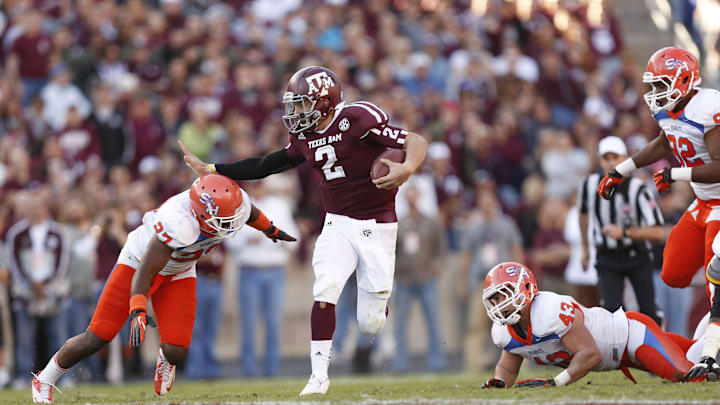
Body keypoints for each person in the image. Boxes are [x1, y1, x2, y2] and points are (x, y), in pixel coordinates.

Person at [180, 65, 429, 396]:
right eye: (293, 104)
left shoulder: (356, 118)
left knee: (371, 322)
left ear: (324, 102)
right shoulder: (304, 135)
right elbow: (266, 165)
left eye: (301, 104)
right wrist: (214, 168)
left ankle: (378, 303)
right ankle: (318, 376)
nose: (295, 112)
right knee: (324, 290)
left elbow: (415, 140)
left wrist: (407, 167)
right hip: (337, 222)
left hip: (376, 223)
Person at [30, 174, 296, 403]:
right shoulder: (179, 223)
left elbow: (249, 213)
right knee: (98, 335)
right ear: (202, 213)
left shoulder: (231, 200)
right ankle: (44, 379)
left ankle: (164, 358)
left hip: (180, 268)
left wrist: (271, 230)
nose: (232, 224)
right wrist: (138, 310)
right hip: (138, 264)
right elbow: (145, 270)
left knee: (177, 351)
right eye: (224, 219)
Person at [595, 47, 720, 378]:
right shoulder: (671, 110)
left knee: (715, 286)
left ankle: (713, 354)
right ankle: (691, 347)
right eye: (652, 85)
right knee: (673, 272)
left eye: (661, 83)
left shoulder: (708, 108)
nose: (655, 93)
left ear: (682, 80)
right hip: (703, 203)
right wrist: (621, 170)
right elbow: (665, 144)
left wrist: (674, 174)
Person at [481, 262, 704, 389]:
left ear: (526, 288)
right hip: (620, 357)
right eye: (495, 299)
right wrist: (499, 383)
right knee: (698, 352)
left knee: (686, 373)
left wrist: (554, 383)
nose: (500, 305)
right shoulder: (505, 332)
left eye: (504, 295)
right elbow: (508, 368)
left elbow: (590, 354)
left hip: (631, 337)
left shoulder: (549, 311)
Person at [583, 136, 664, 322]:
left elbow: (659, 232)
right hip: (607, 257)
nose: (612, 162)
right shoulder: (588, 186)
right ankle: (623, 351)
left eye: (616, 157)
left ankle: (655, 347)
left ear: (625, 158)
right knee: (612, 313)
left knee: (649, 311)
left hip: (636, 254)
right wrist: (585, 249)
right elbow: (582, 213)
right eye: (607, 157)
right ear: (599, 160)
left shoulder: (637, 188)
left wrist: (625, 232)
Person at [225, 180, 299, 377]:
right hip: (250, 270)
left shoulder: (279, 205)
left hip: (275, 270)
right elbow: (230, 241)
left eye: (260, 185)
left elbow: (293, 238)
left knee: (273, 323)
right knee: (248, 323)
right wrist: (248, 239)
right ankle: (248, 369)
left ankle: (271, 369)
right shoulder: (239, 208)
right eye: (255, 185)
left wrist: (279, 239)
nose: (258, 189)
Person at [6, 189, 69, 388]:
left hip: (52, 292)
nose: (37, 211)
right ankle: (24, 376)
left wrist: (48, 286)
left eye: (40, 206)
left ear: (46, 208)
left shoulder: (57, 232)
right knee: (25, 340)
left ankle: (61, 377)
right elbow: (13, 263)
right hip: (26, 294)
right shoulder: (17, 233)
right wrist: (30, 285)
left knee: (57, 338)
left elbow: (62, 263)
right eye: (33, 207)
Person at [392, 185, 447, 372]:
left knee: (432, 321)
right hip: (405, 279)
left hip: (426, 278)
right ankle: (400, 364)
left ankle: (436, 362)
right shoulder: (399, 222)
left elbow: (440, 248)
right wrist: (395, 270)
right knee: (400, 323)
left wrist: (436, 267)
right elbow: (392, 250)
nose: (412, 200)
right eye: (409, 197)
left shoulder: (431, 222)